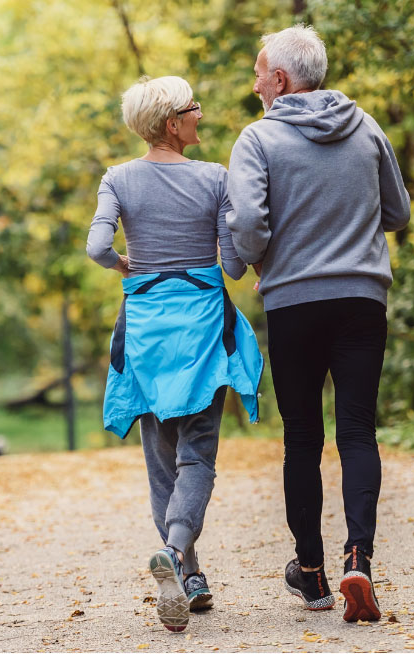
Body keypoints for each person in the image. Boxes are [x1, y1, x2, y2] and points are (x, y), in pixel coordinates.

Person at [226, 25, 411, 623]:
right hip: (362, 299)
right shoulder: (367, 126)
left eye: (258, 72)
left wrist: (266, 260)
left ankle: (311, 574)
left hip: (294, 304)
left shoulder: (257, 139)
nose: (254, 83)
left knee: (303, 437)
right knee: (357, 431)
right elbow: (398, 211)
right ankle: (360, 557)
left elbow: (249, 225)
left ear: (280, 79)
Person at [86, 76, 264, 633]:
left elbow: (96, 247)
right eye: (192, 108)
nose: (200, 114)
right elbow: (234, 266)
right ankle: (179, 547)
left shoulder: (117, 179)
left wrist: (124, 265)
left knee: (161, 455)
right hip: (202, 329)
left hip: (144, 332)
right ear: (172, 124)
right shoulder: (214, 178)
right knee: (199, 452)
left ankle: (187, 572)